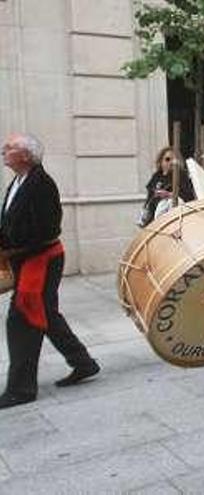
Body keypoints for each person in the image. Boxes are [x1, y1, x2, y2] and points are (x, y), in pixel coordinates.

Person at [0, 133, 100, 409]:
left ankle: (21, 389)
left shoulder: (41, 183)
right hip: (29, 258)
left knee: (23, 316)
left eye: (9, 148)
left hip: (41, 259)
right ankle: (84, 363)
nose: (3, 151)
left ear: (25, 155)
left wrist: (10, 248)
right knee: (47, 315)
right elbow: (12, 222)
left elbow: (48, 229)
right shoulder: (19, 181)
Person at [139, 147, 195, 226]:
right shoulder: (156, 176)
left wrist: (169, 195)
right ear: (161, 161)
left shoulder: (181, 176)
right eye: (167, 159)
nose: (171, 162)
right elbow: (149, 198)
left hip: (174, 217)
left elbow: (189, 197)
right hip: (155, 218)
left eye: (174, 159)